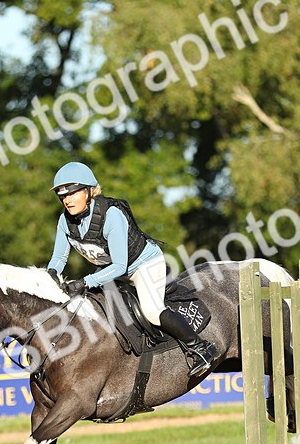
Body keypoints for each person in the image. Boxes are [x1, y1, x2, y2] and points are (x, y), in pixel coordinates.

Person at [45, 161, 218, 376]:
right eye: (62, 196)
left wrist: (85, 282)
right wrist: (50, 275)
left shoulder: (111, 215)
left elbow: (120, 265)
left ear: (89, 191)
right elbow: (59, 257)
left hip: (143, 265)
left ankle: (200, 348)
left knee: (152, 311)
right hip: (113, 272)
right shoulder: (65, 221)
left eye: (72, 193)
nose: (67, 200)